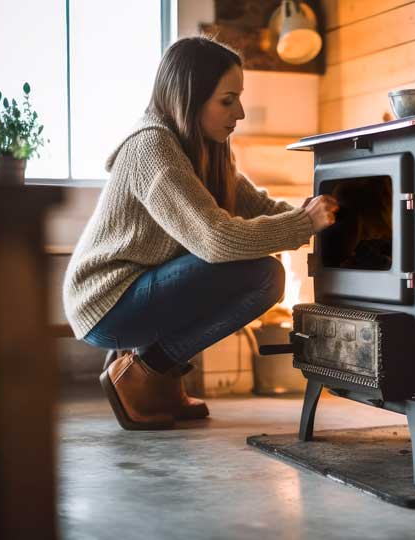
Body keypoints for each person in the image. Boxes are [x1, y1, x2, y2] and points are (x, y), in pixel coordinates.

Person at [62, 36, 338, 430]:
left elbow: (259, 207)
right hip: (106, 302)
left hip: (139, 289)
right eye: (227, 100)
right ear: (189, 99)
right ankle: (147, 370)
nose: (239, 112)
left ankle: (159, 372)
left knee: (260, 269)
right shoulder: (152, 147)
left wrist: (323, 219)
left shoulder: (207, 149)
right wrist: (303, 224)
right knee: (263, 275)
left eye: (239, 98)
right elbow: (216, 240)